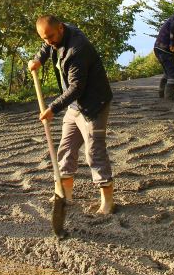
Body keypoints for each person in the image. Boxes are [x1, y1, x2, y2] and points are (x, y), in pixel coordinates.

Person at [28, 15, 115, 214]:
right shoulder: (57, 35)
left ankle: (107, 201)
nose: (48, 41)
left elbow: (76, 87)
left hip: (93, 105)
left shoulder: (77, 49)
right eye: (44, 38)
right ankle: (64, 194)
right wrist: (38, 60)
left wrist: (53, 108)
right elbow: (47, 47)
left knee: (94, 152)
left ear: (60, 28)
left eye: (50, 36)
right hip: (74, 106)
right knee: (65, 148)